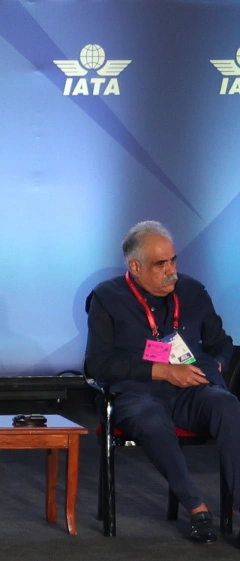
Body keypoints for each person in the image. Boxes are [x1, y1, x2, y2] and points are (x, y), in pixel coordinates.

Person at [84, 220, 239, 544]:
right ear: (135, 267)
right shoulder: (107, 297)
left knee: (226, 404)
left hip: (190, 388)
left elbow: (220, 343)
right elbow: (97, 364)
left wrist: (213, 369)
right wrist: (163, 371)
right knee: (151, 418)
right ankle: (197, 509)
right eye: (160, 264)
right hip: (135, 393)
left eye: (173, 260)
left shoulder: (192, 291)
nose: (171, 270)